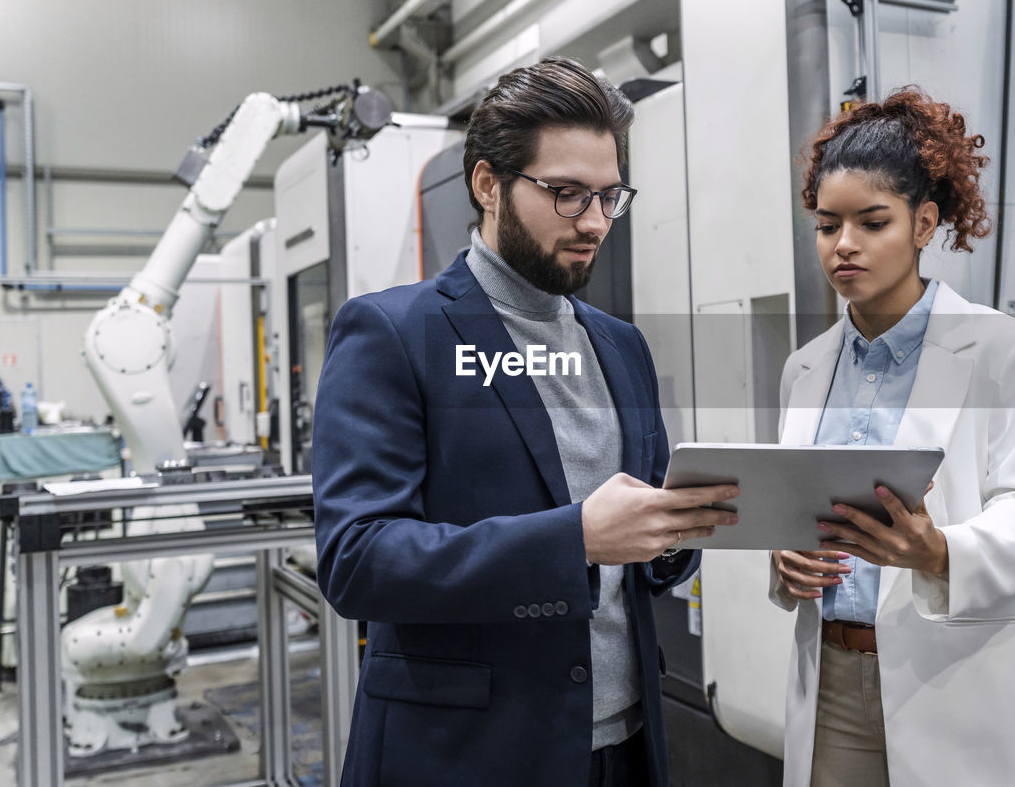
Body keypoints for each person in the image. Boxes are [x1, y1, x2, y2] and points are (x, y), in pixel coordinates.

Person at [313, 56, 738, 787]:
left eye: (610, 197)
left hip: (626, 744)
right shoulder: (394, 333)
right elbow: (358, 559)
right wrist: (575, 537)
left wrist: (671, 538)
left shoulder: (621, 345)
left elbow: (638, 541)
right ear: (488, 184)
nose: (595, 222)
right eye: (566, 194)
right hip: (473, 753)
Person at [770, 90, 1015, 787]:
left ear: (925, 223)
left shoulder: (1005, 351)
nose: (843, 244)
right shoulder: (805, 369)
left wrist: (939, 551)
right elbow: (796, 509)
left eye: (871, 222)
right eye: (827, 225)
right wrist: (787, 561)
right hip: (830, 685)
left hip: (958, 682)